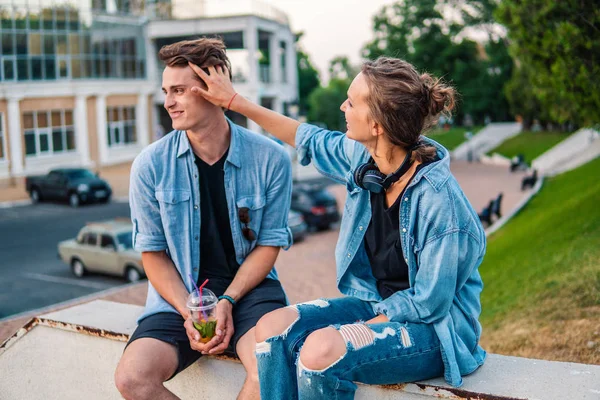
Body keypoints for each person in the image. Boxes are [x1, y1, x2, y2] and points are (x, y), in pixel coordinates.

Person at [189, 55, 487, 399]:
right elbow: (308, 138)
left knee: (319, 351)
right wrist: (233, 102)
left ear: (377, 124)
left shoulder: (440, 202)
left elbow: (429, 302)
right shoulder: (364, 158)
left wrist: (355, 328)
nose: (343, 106)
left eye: (352, 101)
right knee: (270, 328)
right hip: (377, 303)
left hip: (436, 331)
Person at [114, 38, 293, 400]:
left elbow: (269, 243)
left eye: (178, 90)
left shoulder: (271, 159)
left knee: (268, 371)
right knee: (133, 379)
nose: (168, 102)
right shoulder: (150, 166)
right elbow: (153, 254)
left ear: (213, 90)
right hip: (179, 297)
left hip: (251, 292)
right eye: (166, 91)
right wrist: (191, 311)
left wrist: (226, 300)